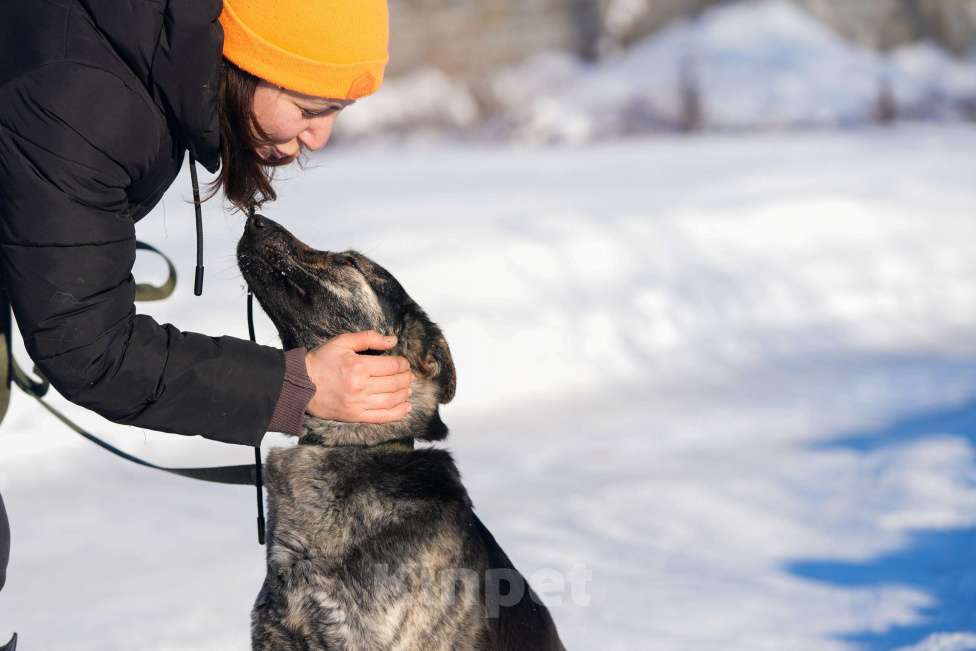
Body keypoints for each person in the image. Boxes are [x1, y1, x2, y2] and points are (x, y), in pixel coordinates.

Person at [0, 0, 412, 609]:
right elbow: (93, 350)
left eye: (337, 113)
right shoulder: (87, 97)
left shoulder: (137, 52)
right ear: (244, 60)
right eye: (308, 107)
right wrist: (298, 386)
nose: (318, 137)